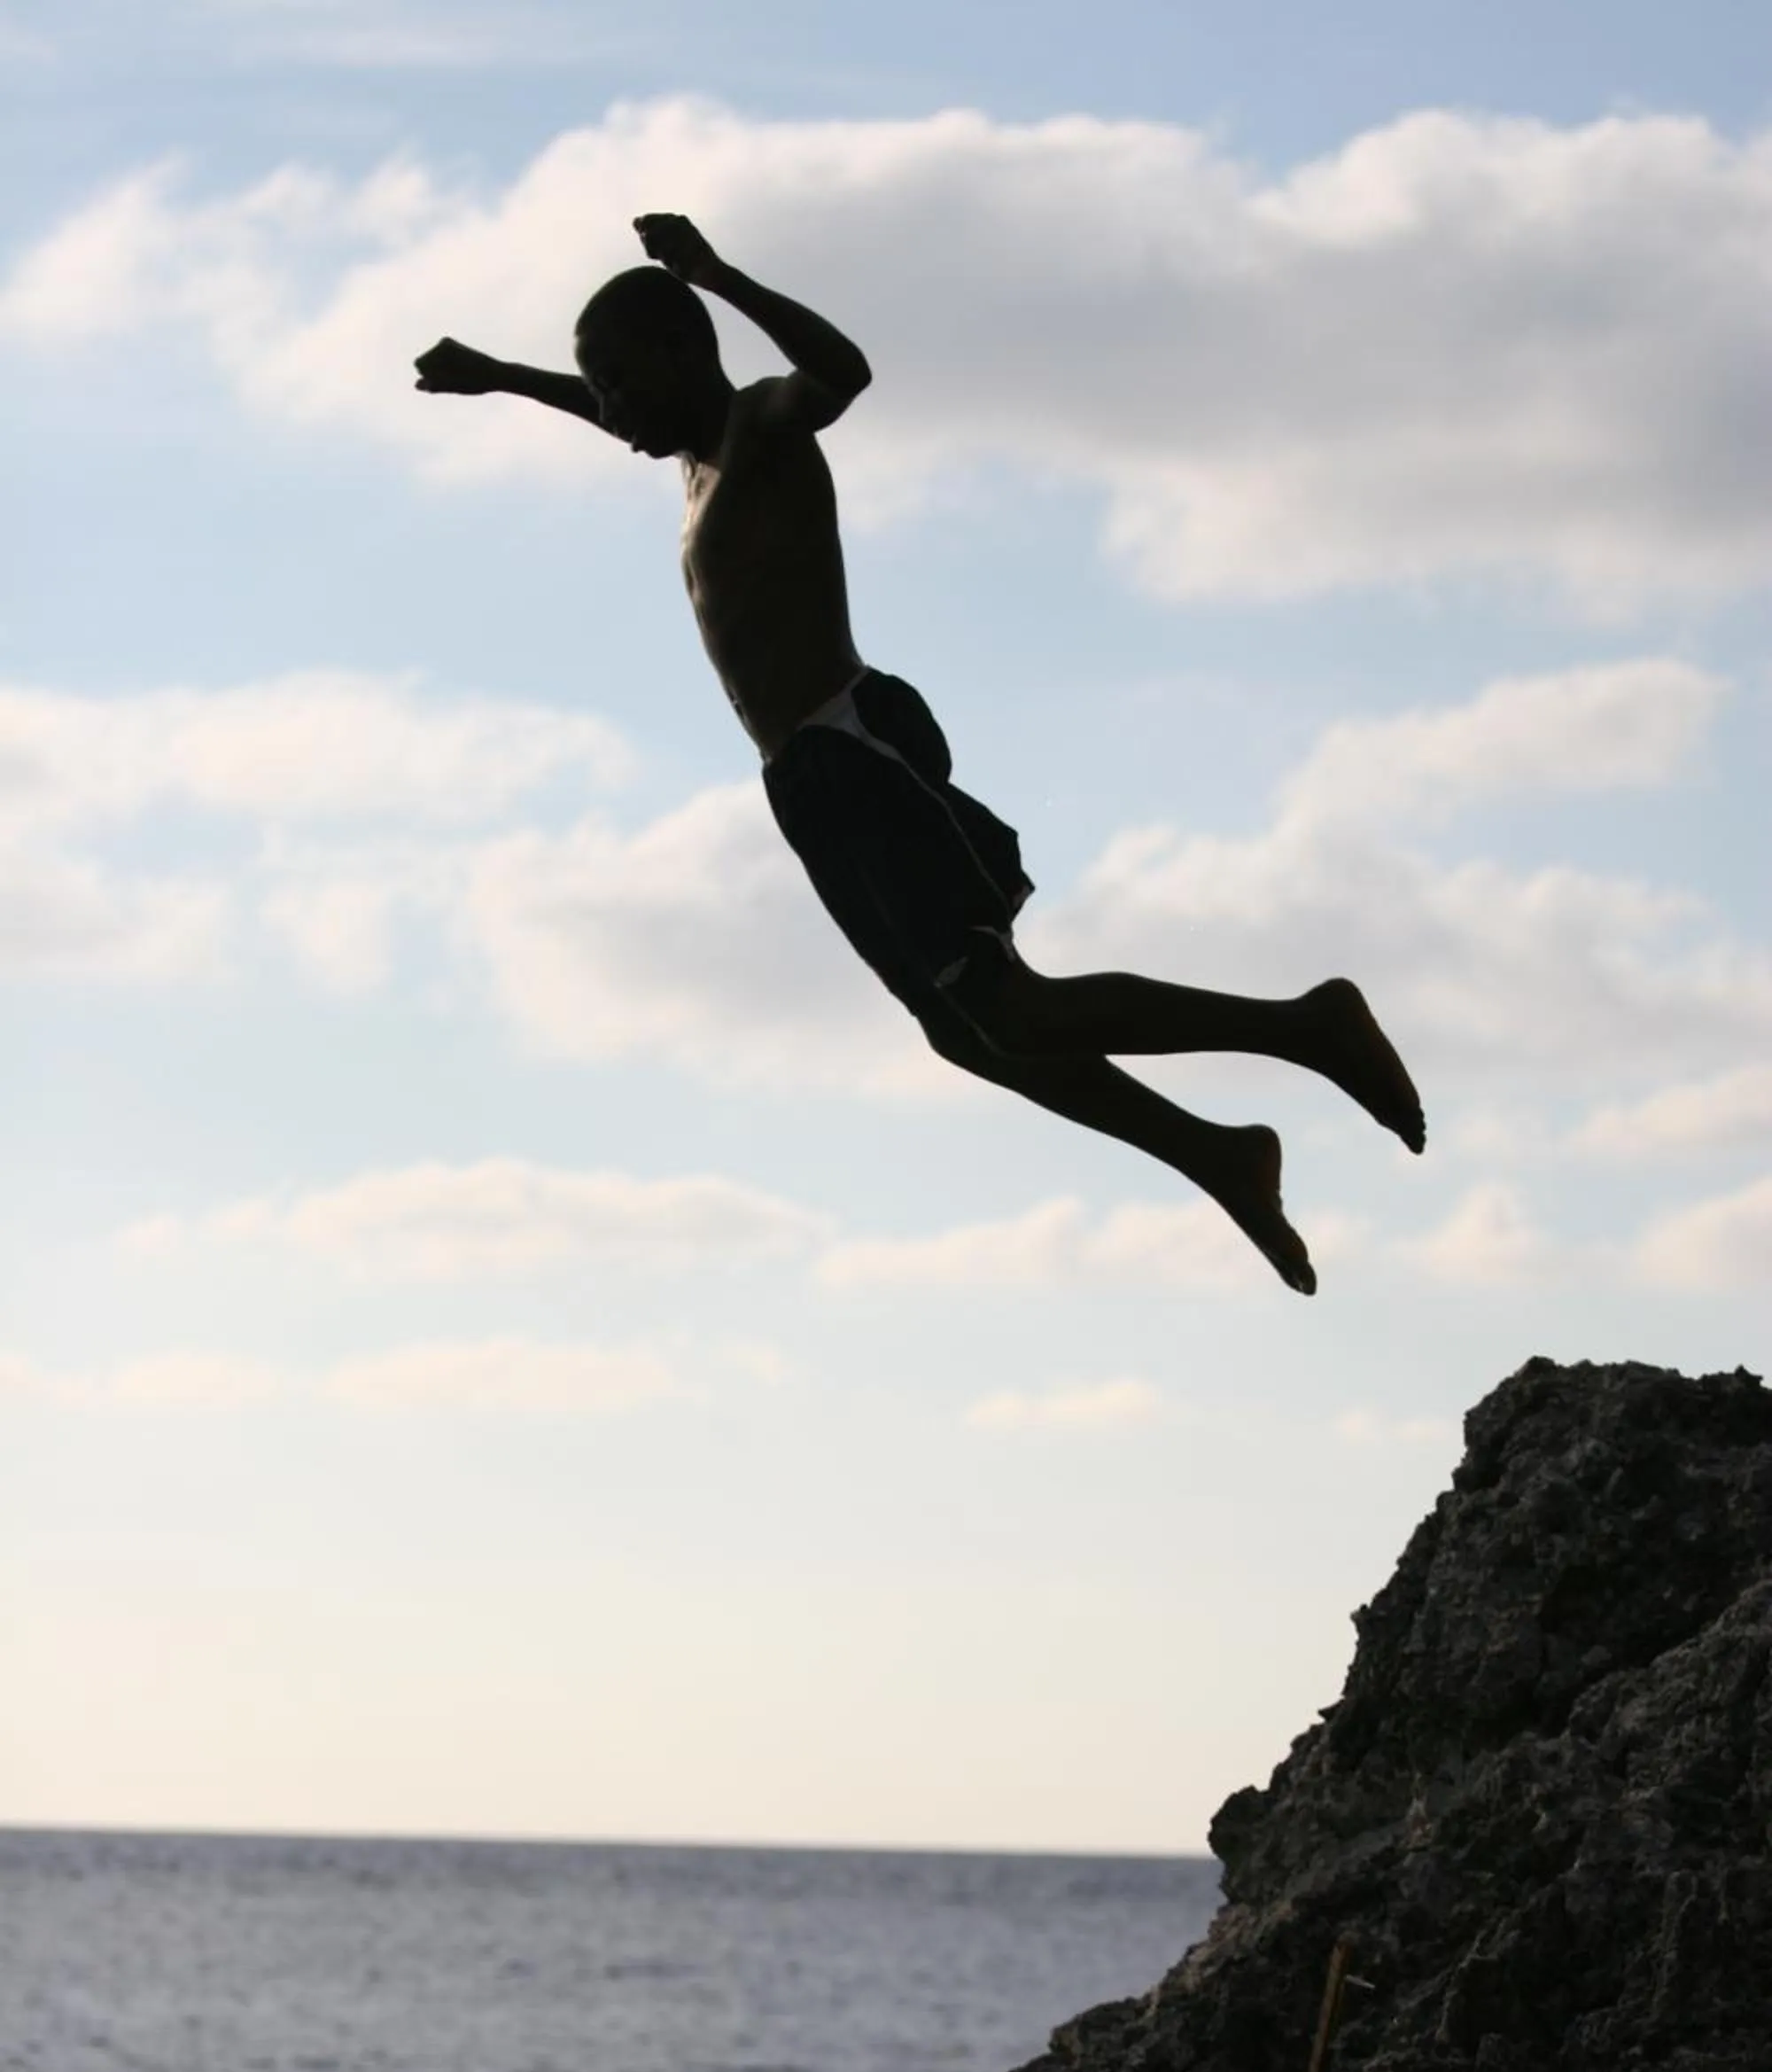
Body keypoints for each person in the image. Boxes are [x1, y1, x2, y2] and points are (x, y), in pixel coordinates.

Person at [416, 214, 1426, 1293]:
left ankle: (1305, 1027)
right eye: (596, 389)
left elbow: (840, 371)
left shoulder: (760, 427)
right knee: (967, 1034)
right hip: (802, 781)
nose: (606, 409)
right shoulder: (695, 460)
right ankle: (1217, 1154)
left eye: (616, 382)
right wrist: (503, 379)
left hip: (854, 753)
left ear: (679, 356)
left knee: (1008, 1007)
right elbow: (609, 412)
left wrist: (713, 274)